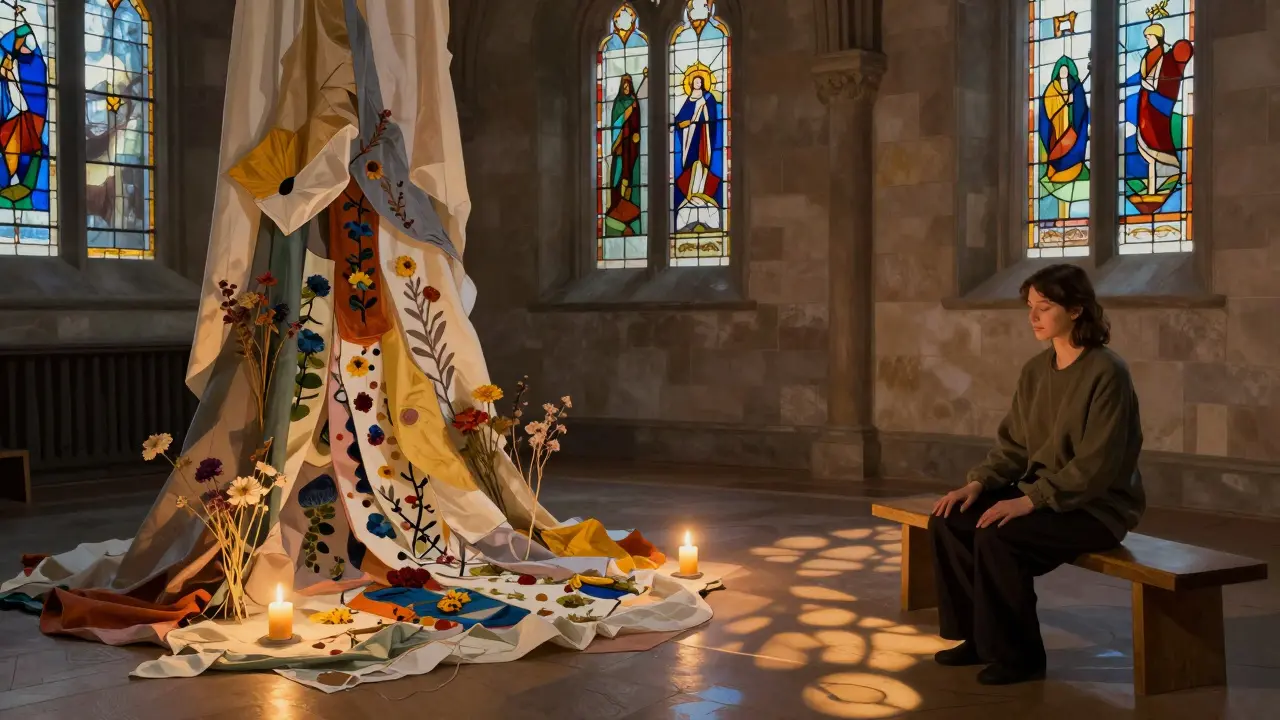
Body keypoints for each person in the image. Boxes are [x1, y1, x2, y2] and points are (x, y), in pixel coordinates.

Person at [928, 264, 1146, 686]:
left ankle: (1020, 656)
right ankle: (978, 637)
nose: (1033, 318)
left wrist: (1028, 501)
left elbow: (1095, 467)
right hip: (1044, 495)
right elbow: (1014, 447)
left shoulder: (1107, 373)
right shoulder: (1034, 370)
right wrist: (979, 482)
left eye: (1044, 308)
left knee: (998, 535)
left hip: (1096, 507)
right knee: (950, 520)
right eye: (1030, 307)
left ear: (1077, 309)